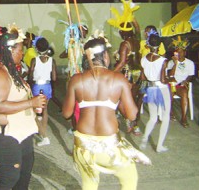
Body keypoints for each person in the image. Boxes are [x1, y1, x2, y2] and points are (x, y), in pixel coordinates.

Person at [62, 38, 151, 190]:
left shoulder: (76, 80)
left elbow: (66, 113)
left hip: (83, 145)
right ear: (104, 56)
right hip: (109, 146)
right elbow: (131, 115)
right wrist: (129, 91)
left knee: (89, 184)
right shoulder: (118, 79)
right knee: (129, 178)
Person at [0, 25, 47, 190]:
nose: (22, 53)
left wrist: (33, 106)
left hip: (21, 131)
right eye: (20, 50)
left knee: (24, 175)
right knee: (9, 177)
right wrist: (31, 103)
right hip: (2, 132)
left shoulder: (10, 70)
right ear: (9, 50)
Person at [140, 32, 171, 153]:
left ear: (148, 44)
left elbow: (143, 77)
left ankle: (144, 138)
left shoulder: (144, 59)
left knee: (152, 117)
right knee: (166, 116)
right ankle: (159, 146)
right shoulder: (163, 61)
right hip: (162, 89)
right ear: (160, 45)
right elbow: (164, 79)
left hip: (151, 88)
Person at [114, 18, 143, 135]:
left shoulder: (125, 44)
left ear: (123, 32)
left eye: (120, 32)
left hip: (128, 75)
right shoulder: (136, 40)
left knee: (123, 100)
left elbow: (121, 63)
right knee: (134, 99)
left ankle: (130, 121)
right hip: (138, 74)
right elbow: (138, 29)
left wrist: (111, 73)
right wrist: (133, 19)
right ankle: (135, 125)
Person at [29, 37, 57, 146]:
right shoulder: (52, 60)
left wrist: (31, 83)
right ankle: (42, 132)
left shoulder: (34, 60)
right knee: (45, 110)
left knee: (35, 112)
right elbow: (54, 78)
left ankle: (44, 136)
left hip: (37, 86)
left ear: (36, 48)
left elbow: (31, 75)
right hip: (47, 86)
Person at [167, 37, 195, 127]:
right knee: (169, 93)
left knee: (184, 94)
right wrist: (175, 64)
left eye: (181, 51)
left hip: (181, 85)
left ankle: (184, 118)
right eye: (177, 51)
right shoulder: (171, 62)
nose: (179, 53)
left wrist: (185, 81)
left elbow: (191, 75)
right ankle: (171, 112)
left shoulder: (190, 63)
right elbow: (170, 75)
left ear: (185, 53)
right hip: (171, 84)